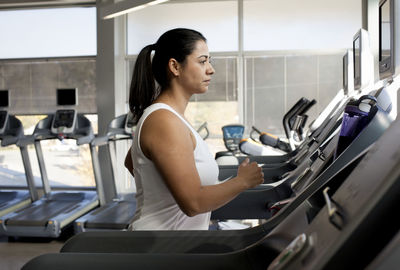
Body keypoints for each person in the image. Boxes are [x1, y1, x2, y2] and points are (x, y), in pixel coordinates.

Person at [125, 28, 263, 230]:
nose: (210, 69)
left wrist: (159, 189)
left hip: (177, 245)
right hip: (159, 250)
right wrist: (242, 181)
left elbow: (132, 161)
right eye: (202, 61)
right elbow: (193, 203)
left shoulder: (171, 117)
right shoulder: (164, 121)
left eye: (209, 61)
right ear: (175, 66)